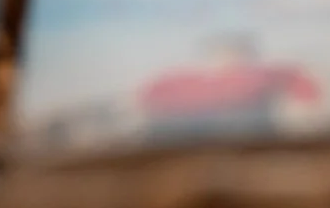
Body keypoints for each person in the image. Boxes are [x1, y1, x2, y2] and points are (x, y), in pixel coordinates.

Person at [136, 32, 320, 144]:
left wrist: (303, 115)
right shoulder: (179, 80)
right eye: (220, 54)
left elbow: (305, 90)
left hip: (250, 135)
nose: (227, 60)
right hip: (187, 135)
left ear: (247, 56)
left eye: (234, 54)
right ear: (208, 57)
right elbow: (147, 99)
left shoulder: (264, 75)